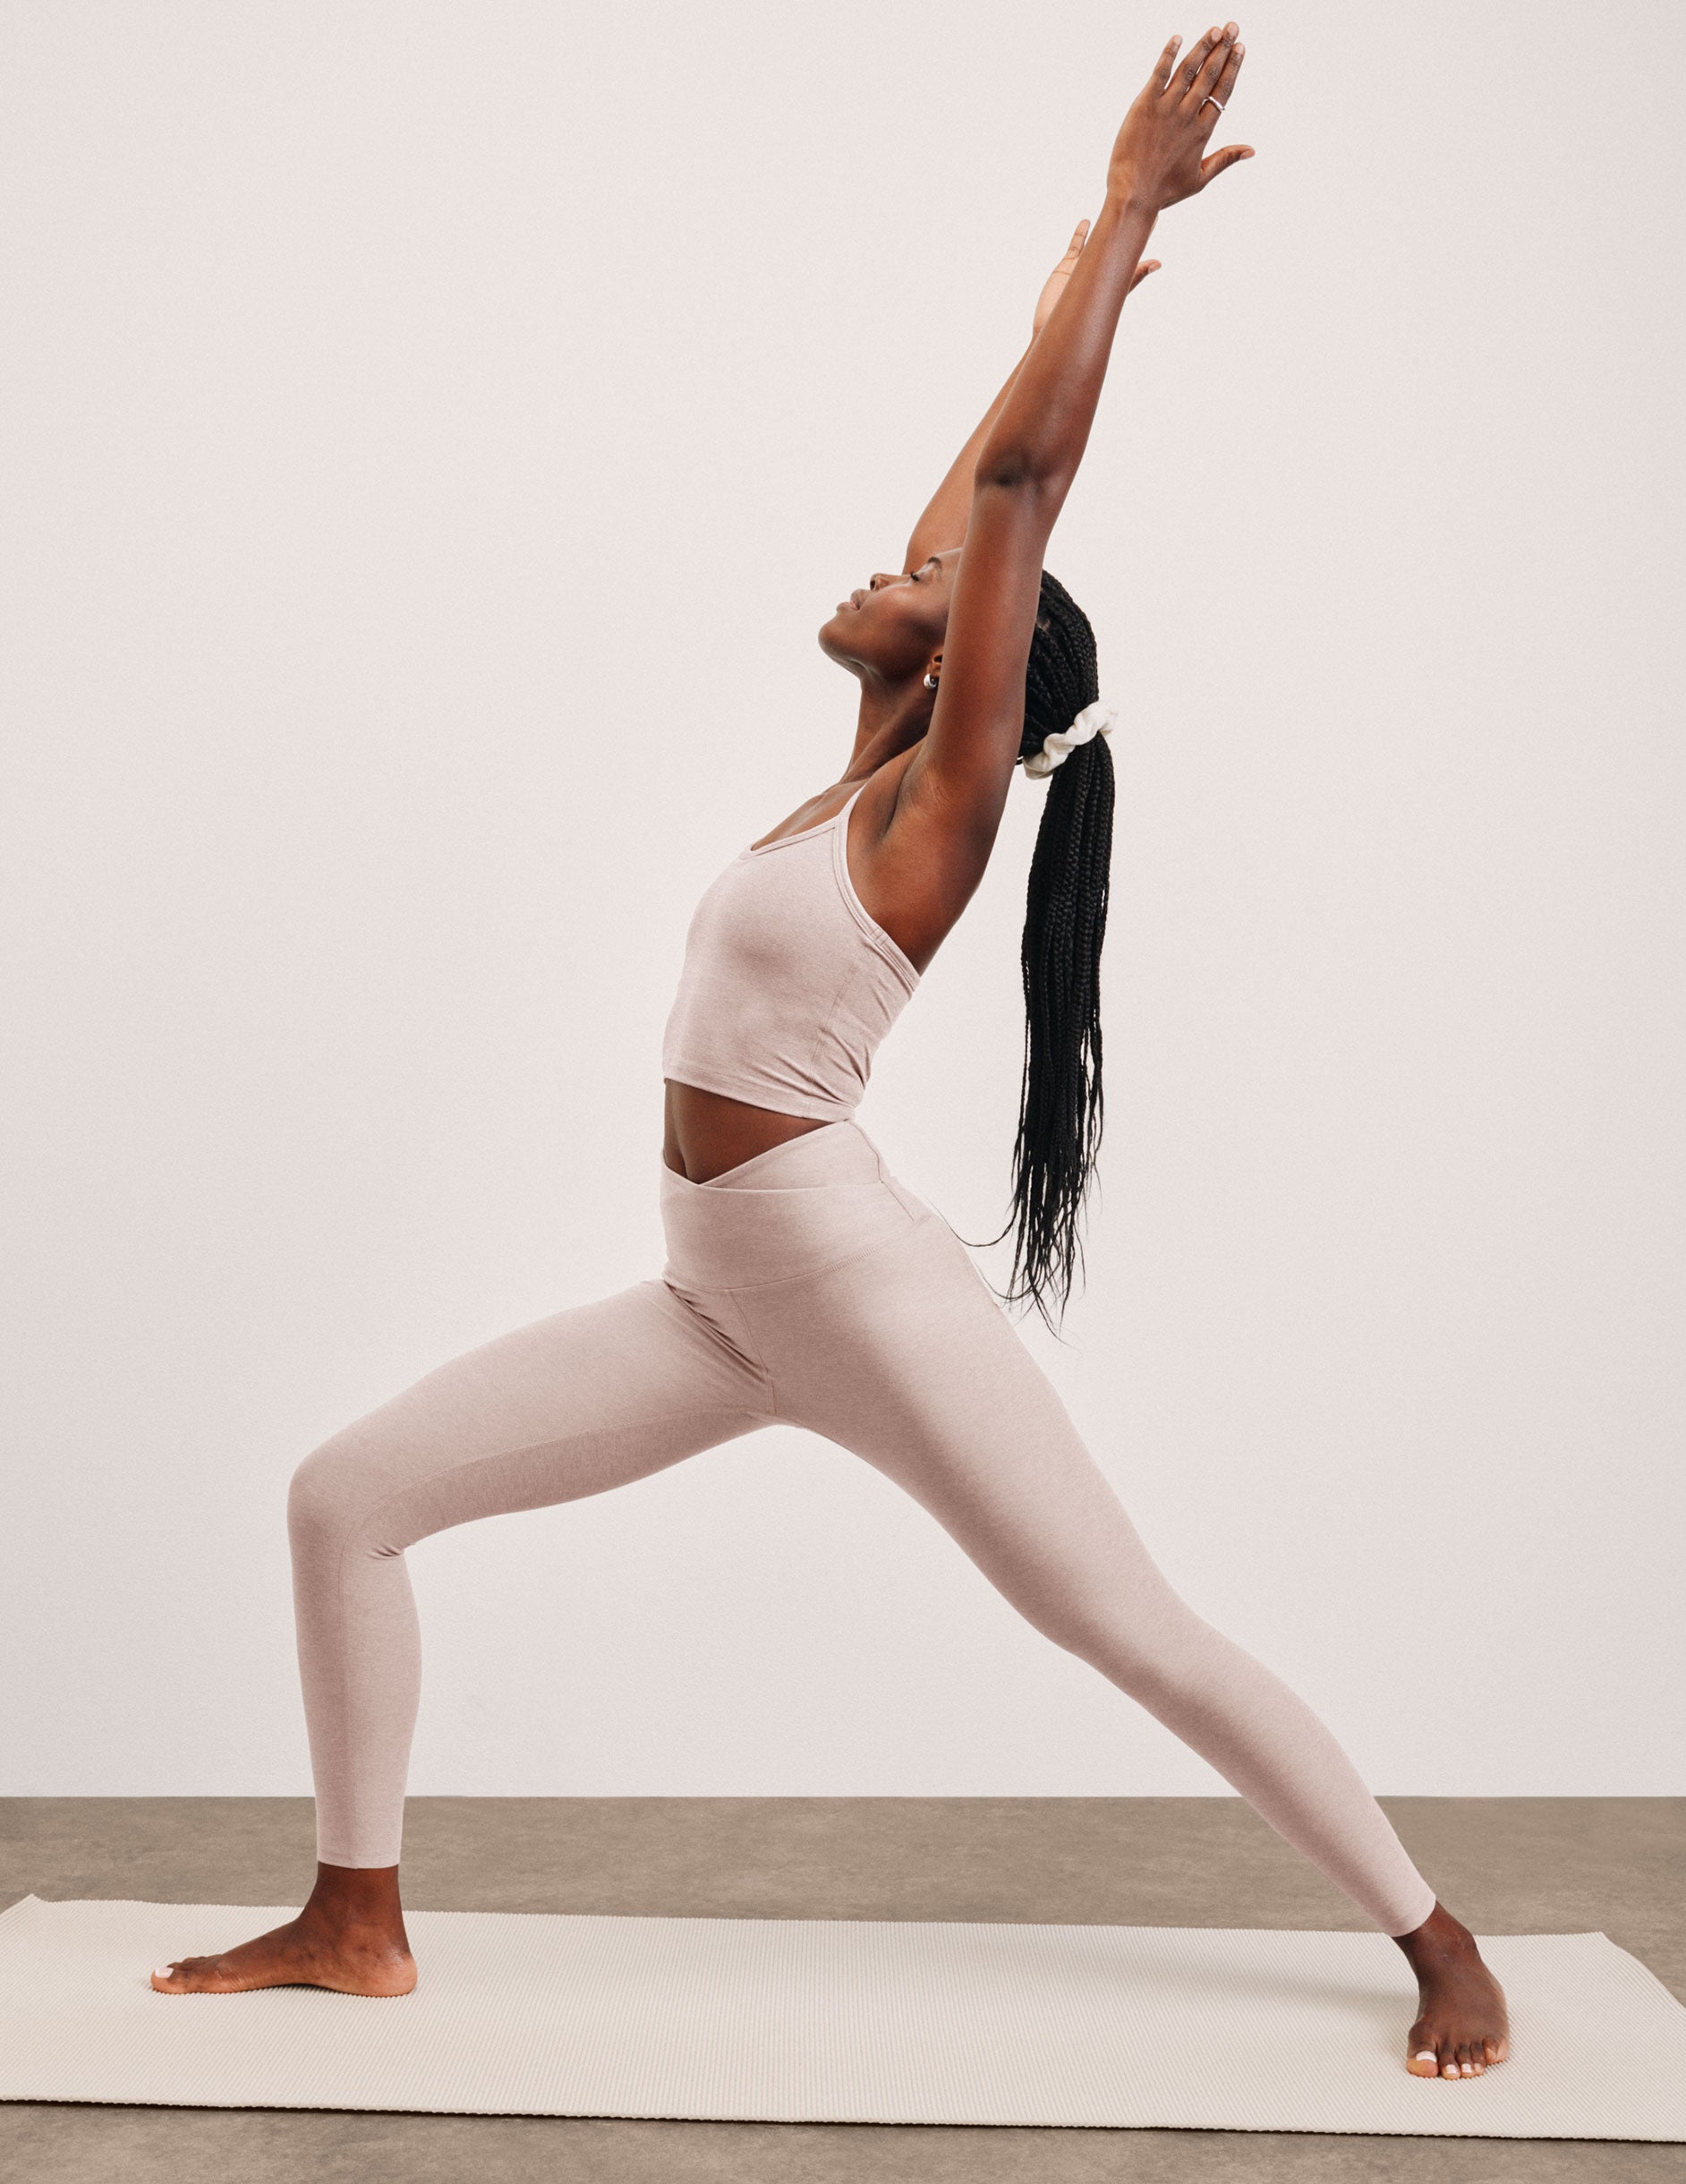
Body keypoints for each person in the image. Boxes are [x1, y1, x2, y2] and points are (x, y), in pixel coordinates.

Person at [152, 25, 1509, 2082]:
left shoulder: (935, 814)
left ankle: (1438, 1934)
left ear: (975, 669)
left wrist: (1126, 211)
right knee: (344, 1495)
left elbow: (1021, 495)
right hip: (715, 1299)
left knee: (1127, 1626)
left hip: (856, 1295)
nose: (900, 559)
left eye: (933, 584)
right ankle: (359, 1915)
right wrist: (1066, 298)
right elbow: (989, 477)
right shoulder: (851, 775)